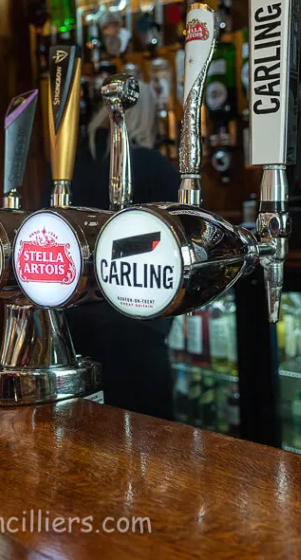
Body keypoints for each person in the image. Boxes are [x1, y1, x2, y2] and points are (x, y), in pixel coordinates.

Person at [44, 67, 181, 419]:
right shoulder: (154, 167)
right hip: (135, 330)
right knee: (148, 446)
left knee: (80, 435)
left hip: (68, 327)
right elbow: (180, 250)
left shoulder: (66, 167)